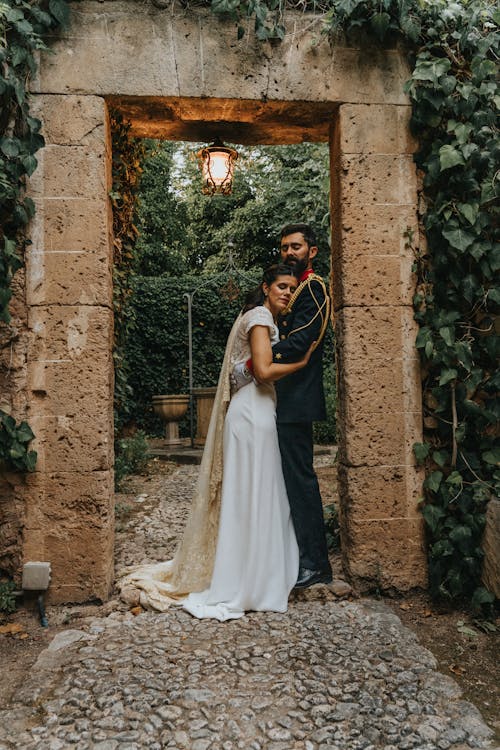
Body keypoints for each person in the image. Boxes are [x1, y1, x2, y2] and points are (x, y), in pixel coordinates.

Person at [119, 264, 315, 621]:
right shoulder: (259, 317)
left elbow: (246, 369)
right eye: (281, 287)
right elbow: (263, 370)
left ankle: (252, 572)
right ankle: (250, 580)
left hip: (253, 409)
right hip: (253, 413)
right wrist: (301, 362)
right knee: (256, 492)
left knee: (256, 491)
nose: (287, 293)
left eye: (290, 288)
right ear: (265, 288)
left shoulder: (259, 316)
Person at [232, 223, 332, 589]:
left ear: (312, 251)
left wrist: (261, 356)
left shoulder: (315, 288)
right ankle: (288, 556)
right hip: (277, 398)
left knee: (301, 481)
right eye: (285, 247)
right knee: (282, 482)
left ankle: (316, 564)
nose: (289, 253)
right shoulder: (291, 290)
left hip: (297, 400)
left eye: (296, 247)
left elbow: (304, 338)